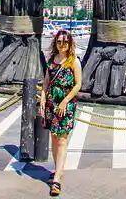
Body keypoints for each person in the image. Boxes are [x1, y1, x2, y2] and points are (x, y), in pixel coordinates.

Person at [40, 30, 82, 197]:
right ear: (55, 43)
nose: (62, 45)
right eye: (59, 41)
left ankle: (56, 179)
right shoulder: (52, 60)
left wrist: (65, 100)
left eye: (65, 42)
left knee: (62, 139)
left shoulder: (74, 61)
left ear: (70, 43)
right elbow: (46, 82)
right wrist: (43, 98)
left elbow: (78, 85)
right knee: (54, 137)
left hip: (66, 104)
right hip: (52, 102)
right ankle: (58, 169)